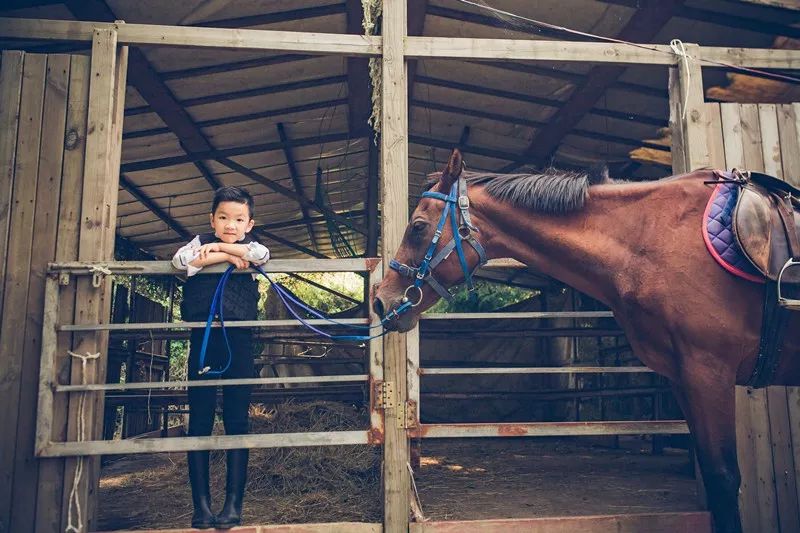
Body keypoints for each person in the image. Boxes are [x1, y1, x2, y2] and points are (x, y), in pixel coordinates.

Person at [172, 186, 269, 529]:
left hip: (238, 342)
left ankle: (232, 506)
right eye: (224, 218)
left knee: (236, 420)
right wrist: (224, 255)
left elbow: (260, 256)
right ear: (212, 219)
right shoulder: (197, 242)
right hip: (203, 340)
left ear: (249, 223)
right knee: (199, 420)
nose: (231, 224)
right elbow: (180, 262)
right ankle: (201, 508)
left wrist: (219, 250)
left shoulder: (253, 245)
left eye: (239, 219)